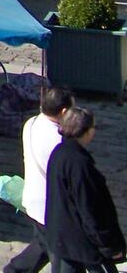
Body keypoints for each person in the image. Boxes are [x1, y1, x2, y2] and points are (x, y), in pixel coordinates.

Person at [45, 107, 124, 273]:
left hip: (62, 237)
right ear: (86, 132)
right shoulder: (80, 165)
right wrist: (108, 246)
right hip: (82, 245)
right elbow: (90, 210)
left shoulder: (58, 153)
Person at [6, 86, 75, 273]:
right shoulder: (59, 141)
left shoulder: (32, 123)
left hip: (33, 198)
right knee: (63, 254)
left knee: (42, 244)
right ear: (63, 111)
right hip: (50, 206)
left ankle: (14, 270)